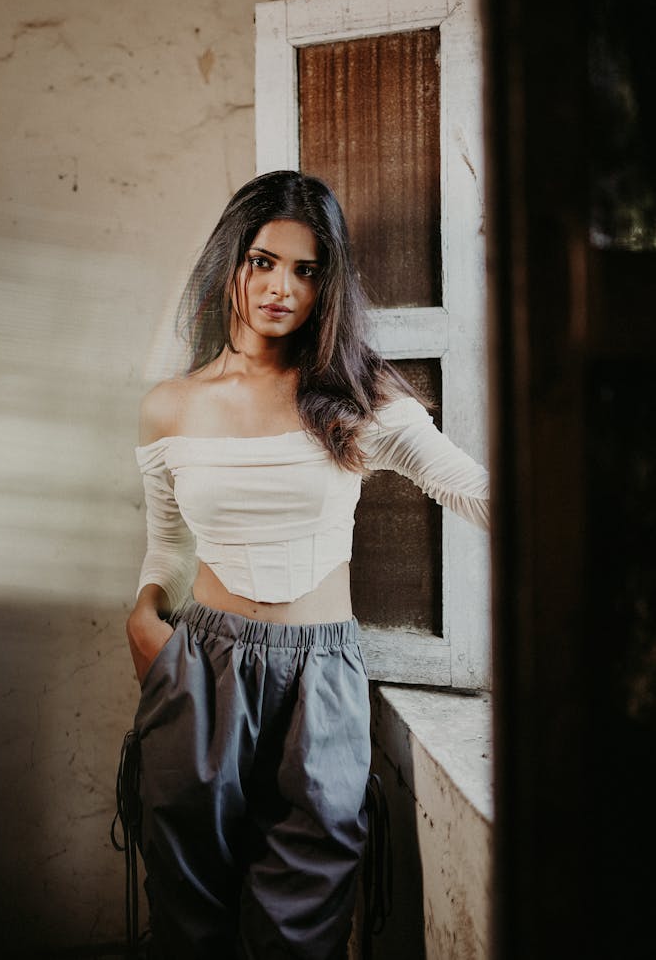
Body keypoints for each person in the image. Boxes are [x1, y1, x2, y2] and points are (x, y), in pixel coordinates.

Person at [123, 170, 489, 959]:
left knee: (303, 922)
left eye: (306, 268)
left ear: (329, 283)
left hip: (321, 675)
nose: (280, 286)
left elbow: (472, 490)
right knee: (189, 918)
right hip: (199, 666)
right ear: (230, 263)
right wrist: (145, 614)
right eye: (263, 260)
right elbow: (169, 544)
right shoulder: (170, 404)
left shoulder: (358, 396)